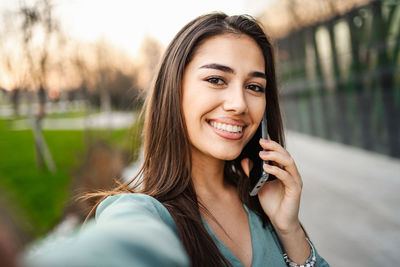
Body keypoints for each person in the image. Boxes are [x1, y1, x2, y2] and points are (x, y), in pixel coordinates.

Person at [21, 12, 329, 267]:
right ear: (174, 90)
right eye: (216, 80)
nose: (239, 103)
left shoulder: (263, 202)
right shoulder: (142, 211)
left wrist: (289, 228)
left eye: (255, 87)